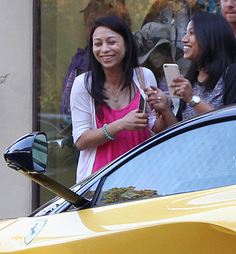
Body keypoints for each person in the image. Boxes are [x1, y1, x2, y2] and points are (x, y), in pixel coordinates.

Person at [70, 14, 175, 181]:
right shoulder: (83, 84)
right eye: (98, 44)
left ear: (126, 44)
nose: (104, 49)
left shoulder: (143, 77)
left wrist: (165, 108)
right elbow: (81, 140)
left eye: (112, 42)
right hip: (99, 182)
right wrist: (121, 124)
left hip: (144, 178)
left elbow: (157, 128)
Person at [167, 10, 236, 119]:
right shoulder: (192, 77)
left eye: (192, 33)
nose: (184, 39)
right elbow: (181, 130)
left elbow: (233, 124)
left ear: (211, 37)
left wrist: (192, 98)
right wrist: (165, 109)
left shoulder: (235, 73)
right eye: (185, 33)